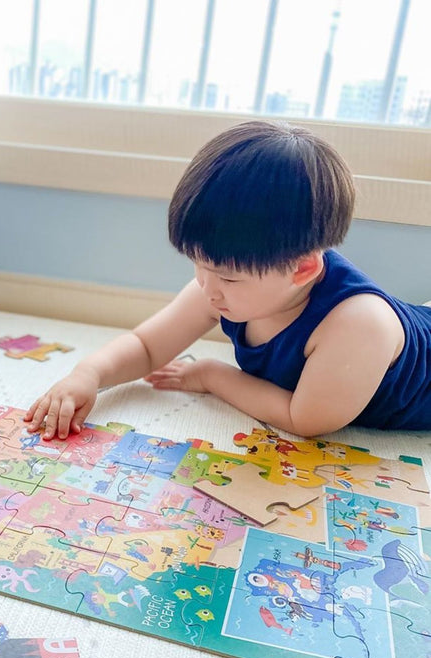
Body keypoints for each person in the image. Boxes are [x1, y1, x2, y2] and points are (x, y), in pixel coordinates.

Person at [24, 120, 431, 439]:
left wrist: (212, 375)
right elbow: (148, 346)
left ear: (303, 268)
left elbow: (304, 418)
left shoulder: (358, 325)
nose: (205, 286)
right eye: (197, 265)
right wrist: (87, 375)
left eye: (227, 277)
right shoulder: (218, 286)